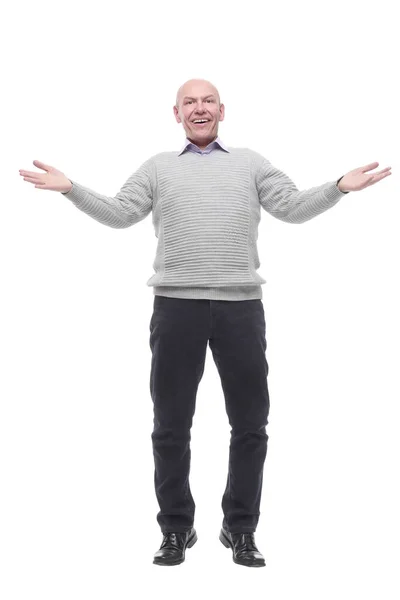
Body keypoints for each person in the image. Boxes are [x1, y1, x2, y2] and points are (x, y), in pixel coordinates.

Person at [19, 79, 392, 568]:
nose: (200, 108)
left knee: (250, 423)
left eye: (208, 101)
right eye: (189, 102)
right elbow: (119, 213)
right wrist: (71, 190)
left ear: (223, 110)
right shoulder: (158, 167)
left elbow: (292, 207)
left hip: (240, 308)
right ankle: (176, 528)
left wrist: (339, 188)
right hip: (176, 308)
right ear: (176, 114)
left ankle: (240, 528)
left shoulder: (251, 163)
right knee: (170, 425)